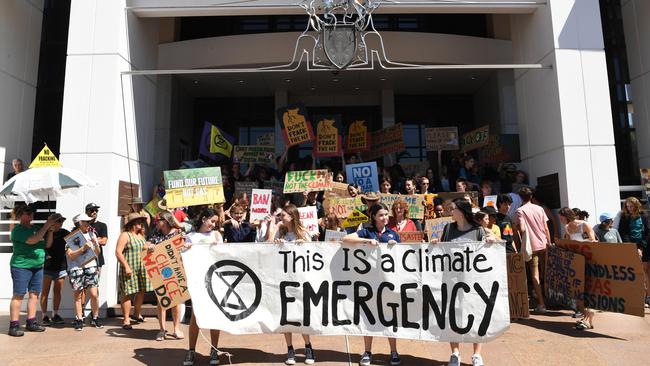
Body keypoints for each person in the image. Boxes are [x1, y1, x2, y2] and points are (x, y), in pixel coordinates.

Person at [431, 199, 494, 366]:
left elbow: (492, 240)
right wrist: (435, 243)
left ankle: (477, 354)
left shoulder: (478, 230)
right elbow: (442, 249)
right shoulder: (448, 228)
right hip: (451, 280)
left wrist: (491, 239)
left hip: (473, 281)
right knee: (452, 314)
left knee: (475, 314)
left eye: (453, 209)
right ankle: (455, 353)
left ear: (462, 212)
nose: (451, 212)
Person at [342, 203, 401, 366]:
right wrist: (367, 241)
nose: (385, 218)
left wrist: (395, 248)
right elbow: (346, 239)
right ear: (374, 217)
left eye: (386, 215)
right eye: (381, 215)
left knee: (390, 317)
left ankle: (394, 351)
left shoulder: (393, 234)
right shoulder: (366, 232)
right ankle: (367, 351)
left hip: (389, 284)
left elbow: (402, 257)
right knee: (369, 317)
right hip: (368, 284)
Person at [266, 204, 316, 365]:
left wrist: (304, 244)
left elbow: (315, 254)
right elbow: (267, 246)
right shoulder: (281, 232)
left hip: (300, 281)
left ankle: (308, 346)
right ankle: (290, 349)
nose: (281, 217)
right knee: (286, 317)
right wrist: (275, 230)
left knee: (301, 316)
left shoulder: (304, 232)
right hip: (283, 280)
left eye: (284, 216)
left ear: (292, 216)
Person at [8, 205, 57, 337]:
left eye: (32, 213)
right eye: (28, 213)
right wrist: (46, 226)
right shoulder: (18, 230)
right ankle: (14, 325)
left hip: (37, 266)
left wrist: (50, 231)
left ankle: (31, 322)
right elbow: (33, 240)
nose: (31, 215)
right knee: (18, 295)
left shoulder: (35, 228)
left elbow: (47, 245)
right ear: (19, 215)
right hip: (21, 266)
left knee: (34, 295)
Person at [183, 208, 224, 366]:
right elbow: (182, 257)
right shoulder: (191, 236)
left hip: (215, 280)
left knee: (214, 315)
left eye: (215, 222)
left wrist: (218, 247)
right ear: (203, 219)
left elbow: (224, 256)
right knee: (195, 316)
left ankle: (214, 349)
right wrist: (185, 249)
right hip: (198, 280)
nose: (213, 225)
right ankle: (191, 350)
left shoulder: (216, 235)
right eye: (211, 221)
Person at [146, 211, 185, 341]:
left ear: (166, 221)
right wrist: (150, 246)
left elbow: (184, 248)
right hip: (159, 271)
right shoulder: (156, 234)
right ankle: (162, 330)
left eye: (158, 220)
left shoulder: (178, 233)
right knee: (161, 301)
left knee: (176, 301)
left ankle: (176, 329)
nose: (156, 223)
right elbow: (146, 245)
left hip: (175, 271)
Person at [514, 187, 551, 314]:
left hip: (532, 246)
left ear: (520, 197)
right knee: (545, 271)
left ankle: (541, 303)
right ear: (531, 197)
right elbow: (546, 228)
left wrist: (517, 228)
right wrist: (549, 242)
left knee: (535, 275)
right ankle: (548, 298)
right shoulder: (539, 208)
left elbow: (523, 229)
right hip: (543, 243)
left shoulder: (520, 211)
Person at [115, 212, 152, 329]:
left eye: (141, 221)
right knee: (127, 293)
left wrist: (151, 248)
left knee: (141, 291)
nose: (141, 223)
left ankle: (136, 313)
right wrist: (126, 266)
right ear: (132, 224)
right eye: (138, 222)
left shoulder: (141, 236)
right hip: (129, 268)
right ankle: (126, 320)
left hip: (141, 268)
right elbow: (118, 252)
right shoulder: (125, 235)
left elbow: (145, 249)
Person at [66, 213, 103, 331]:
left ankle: (95, 317)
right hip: (76, 268)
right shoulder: (71, 237)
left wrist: (96, 244)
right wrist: (83, 249)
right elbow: (71, 256)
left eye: (89, 222)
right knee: (78, 295)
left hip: (91, 266)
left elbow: (97, 253)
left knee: (94, 294)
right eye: (86, 222)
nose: (88, 224)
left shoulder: (92, 234)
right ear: (79, 223)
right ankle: (79, 319)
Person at [616, 197, 650, 307]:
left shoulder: (644, 215)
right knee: (634, 271)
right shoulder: (624, 216)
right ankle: (636, 297)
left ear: (636, 205)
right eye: (627, 206)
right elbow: (623, 232)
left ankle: (647, 297)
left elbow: (647, 231)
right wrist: (633, 247)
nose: (629, 208)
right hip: (630, 246)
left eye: (631, 206)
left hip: (644, 247)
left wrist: (641, 247)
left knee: (645, 271)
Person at [40, 213, 68, 326]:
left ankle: (55, 314)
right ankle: (44, 315)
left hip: (61, 266)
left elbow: (74, 241)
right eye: (58, 221)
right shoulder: (45, 232)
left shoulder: (65, 232)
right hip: (48, 266)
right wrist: (50, 231)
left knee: (57, 291)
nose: (61, 223)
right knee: (45, 292)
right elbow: (48, 246)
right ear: (52, 222)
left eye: (62, 221)